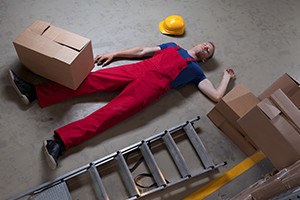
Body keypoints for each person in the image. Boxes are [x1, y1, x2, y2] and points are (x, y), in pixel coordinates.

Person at [9, 41, 235, 169]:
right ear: (196, 43)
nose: (205, 47)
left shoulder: (196, 72)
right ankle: (34, 92)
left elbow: (215, 96)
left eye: (209, 50)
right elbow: (142, 51)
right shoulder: (173, 46)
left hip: (152, 88)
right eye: (205, 44)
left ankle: (59, 143)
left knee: (110, 114)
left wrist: (225, 78)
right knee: (90, 81)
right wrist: (114, 54)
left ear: (205, 60)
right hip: (138, 69)